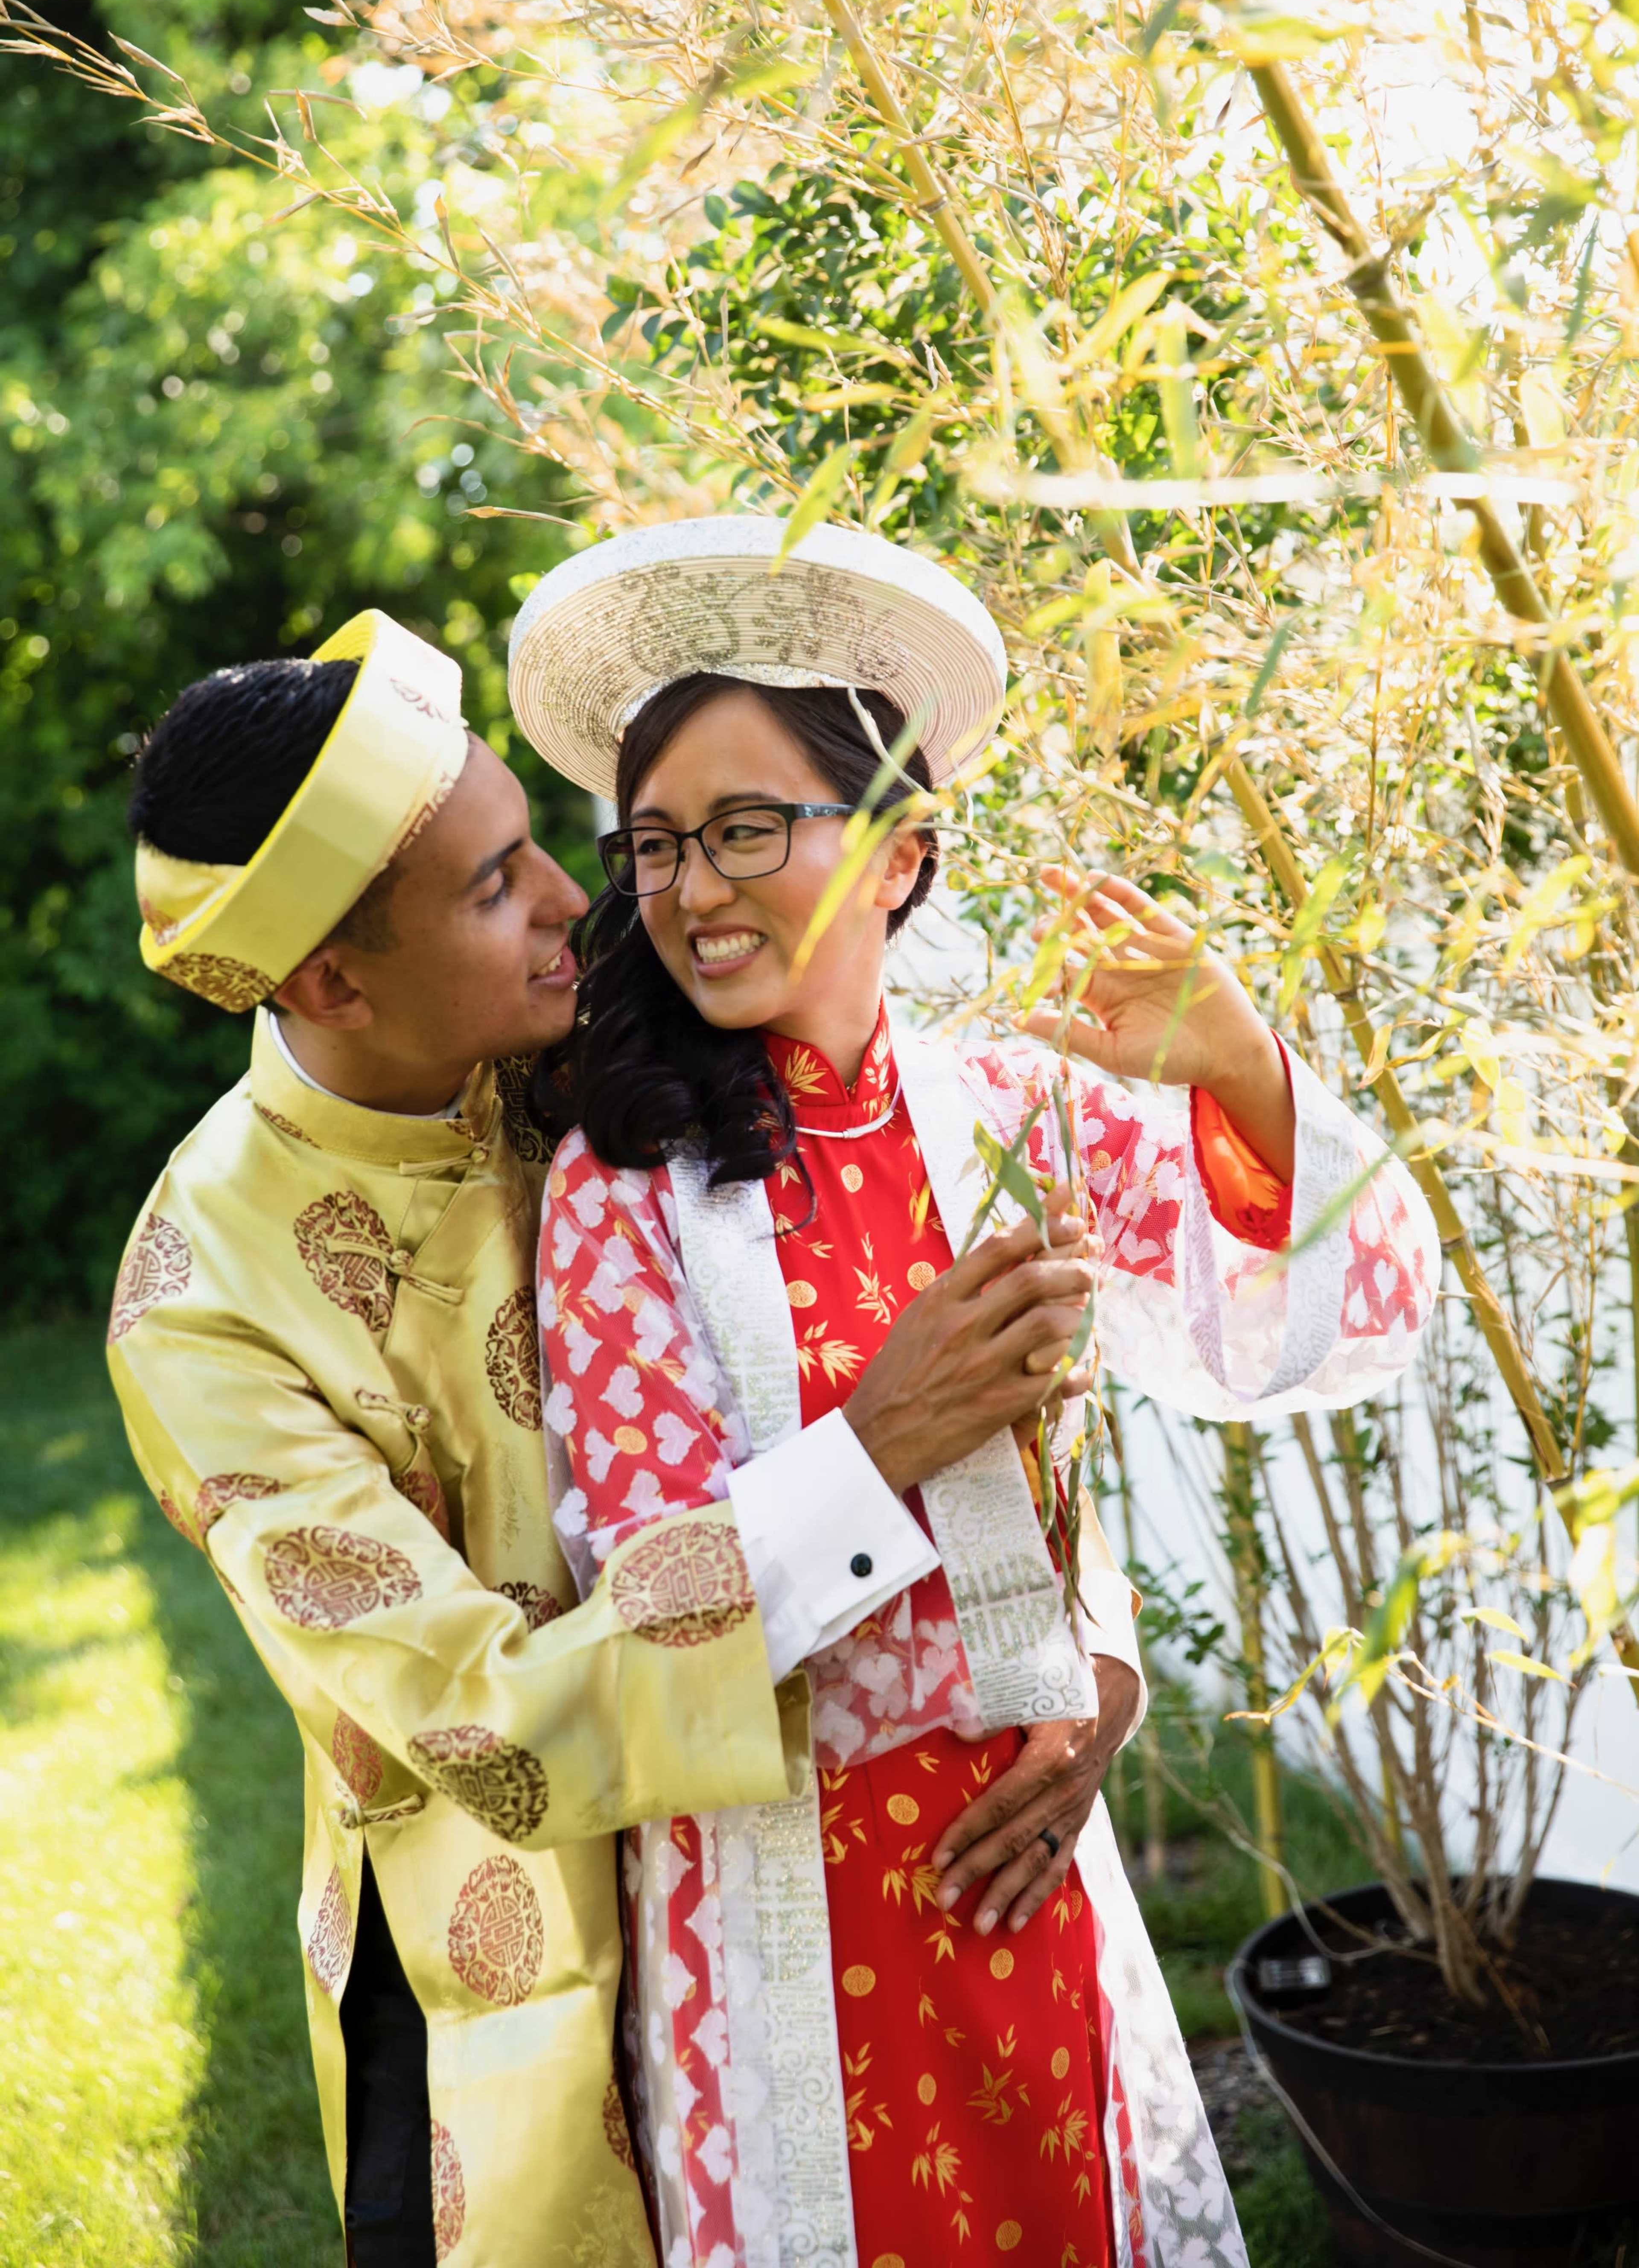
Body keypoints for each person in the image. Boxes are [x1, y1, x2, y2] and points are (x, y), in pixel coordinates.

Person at [106, 607, 1108, 2268]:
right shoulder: (204, 1313)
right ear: (331, 979)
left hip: (820, 1877)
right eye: (499, 888)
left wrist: (1090, 1661)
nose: (585, 901)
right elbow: (491, 1728)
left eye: (548, 849)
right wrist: (871, 1454)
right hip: (496, 1975)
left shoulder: (625, 1046)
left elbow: (972, 1291)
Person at [510, 516, 1440, 2268]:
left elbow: (1325, 1322)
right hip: (784, 1900)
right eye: (655, 845)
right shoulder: (625, 1190)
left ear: (900, 852)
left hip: (1033, 1867)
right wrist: (885, 1438)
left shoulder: (1016, 1112)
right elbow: (641, 1605)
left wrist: (1238, 1059)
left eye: (745, 828)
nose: (695, 889)